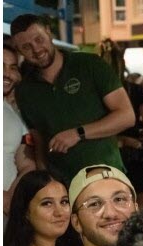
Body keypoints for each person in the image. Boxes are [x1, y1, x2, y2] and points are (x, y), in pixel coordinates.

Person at [10, 14, 134, 183]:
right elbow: (39, 141)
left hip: (107, 175)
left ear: (49, 32)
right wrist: (46, 181)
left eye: (39, 39)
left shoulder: (90, 65)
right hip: (62, 185)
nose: (36, 50)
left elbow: (127, 116)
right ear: (19, 51)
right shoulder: (25, 90)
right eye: (26, 47)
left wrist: (78, 133)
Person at [99, 39, 143, 207]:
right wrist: (133, 138)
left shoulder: (94, 95)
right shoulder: (135, 91)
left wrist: (119, 139)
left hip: (105, 159)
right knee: (140, 215)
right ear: (123, 63)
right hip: (137, 159)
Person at [4, 42, 37, 219]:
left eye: (12, 67)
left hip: (8, 214)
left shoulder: (14, 113)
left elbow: (27, 164)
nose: (6, 73)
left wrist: (11, 198)